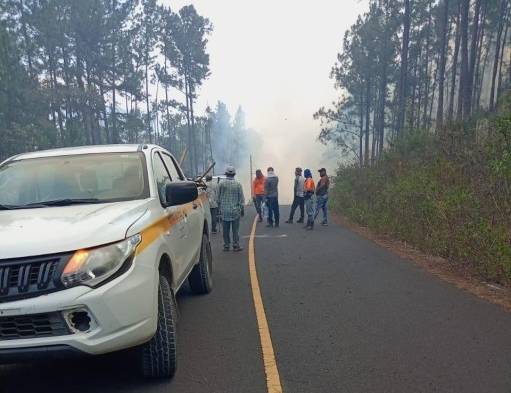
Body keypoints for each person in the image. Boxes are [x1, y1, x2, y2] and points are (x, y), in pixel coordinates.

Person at [218, 165, 245, 251]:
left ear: (226, 173)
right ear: (234, 174)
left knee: (225, 230)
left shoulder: (221, 184)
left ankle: (226, 246)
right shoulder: (238, 184)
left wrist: (220, 207)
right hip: (235, 211)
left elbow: (218, 198)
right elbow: (241, 199)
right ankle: (236, 245)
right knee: (235, 230)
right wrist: (241, 209)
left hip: (225, 211)